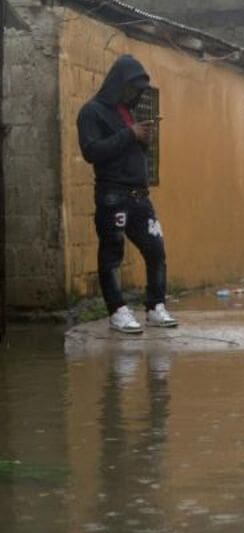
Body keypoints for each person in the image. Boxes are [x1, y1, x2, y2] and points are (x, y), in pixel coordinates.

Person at [77, 54, 177, 334]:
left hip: (139, 196)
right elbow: (92, 151)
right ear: (117, 84)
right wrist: (129, 134)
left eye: (139, 91)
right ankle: (117, 310)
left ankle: (156, 306)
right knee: (112, 253)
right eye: (131, 88)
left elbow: (127, 151)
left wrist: (141, 140)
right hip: (113, 195)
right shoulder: (91, 112)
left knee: (156, 250)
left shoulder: (127, 112)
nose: (134, 95)